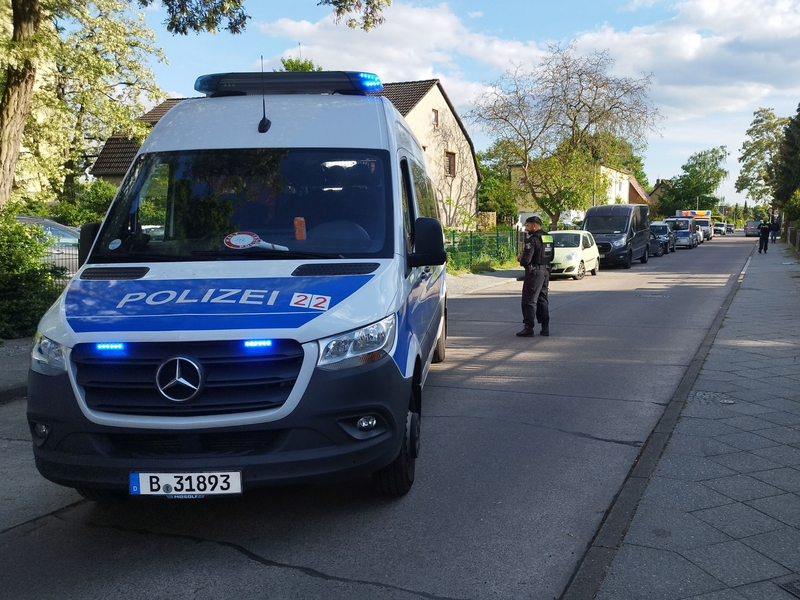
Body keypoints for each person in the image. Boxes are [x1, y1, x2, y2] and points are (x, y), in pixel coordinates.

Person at [516, 216, 553, 337]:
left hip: (534, 273)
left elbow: (526, 260)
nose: (527, 228)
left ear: (534, 225)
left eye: (528, 225)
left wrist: (521, 259)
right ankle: (545, 327)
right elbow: (551, 255)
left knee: (529, 300)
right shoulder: (548, 237)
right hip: (546, 271)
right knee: (543, 299)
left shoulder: (532, 240)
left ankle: (528, 327)